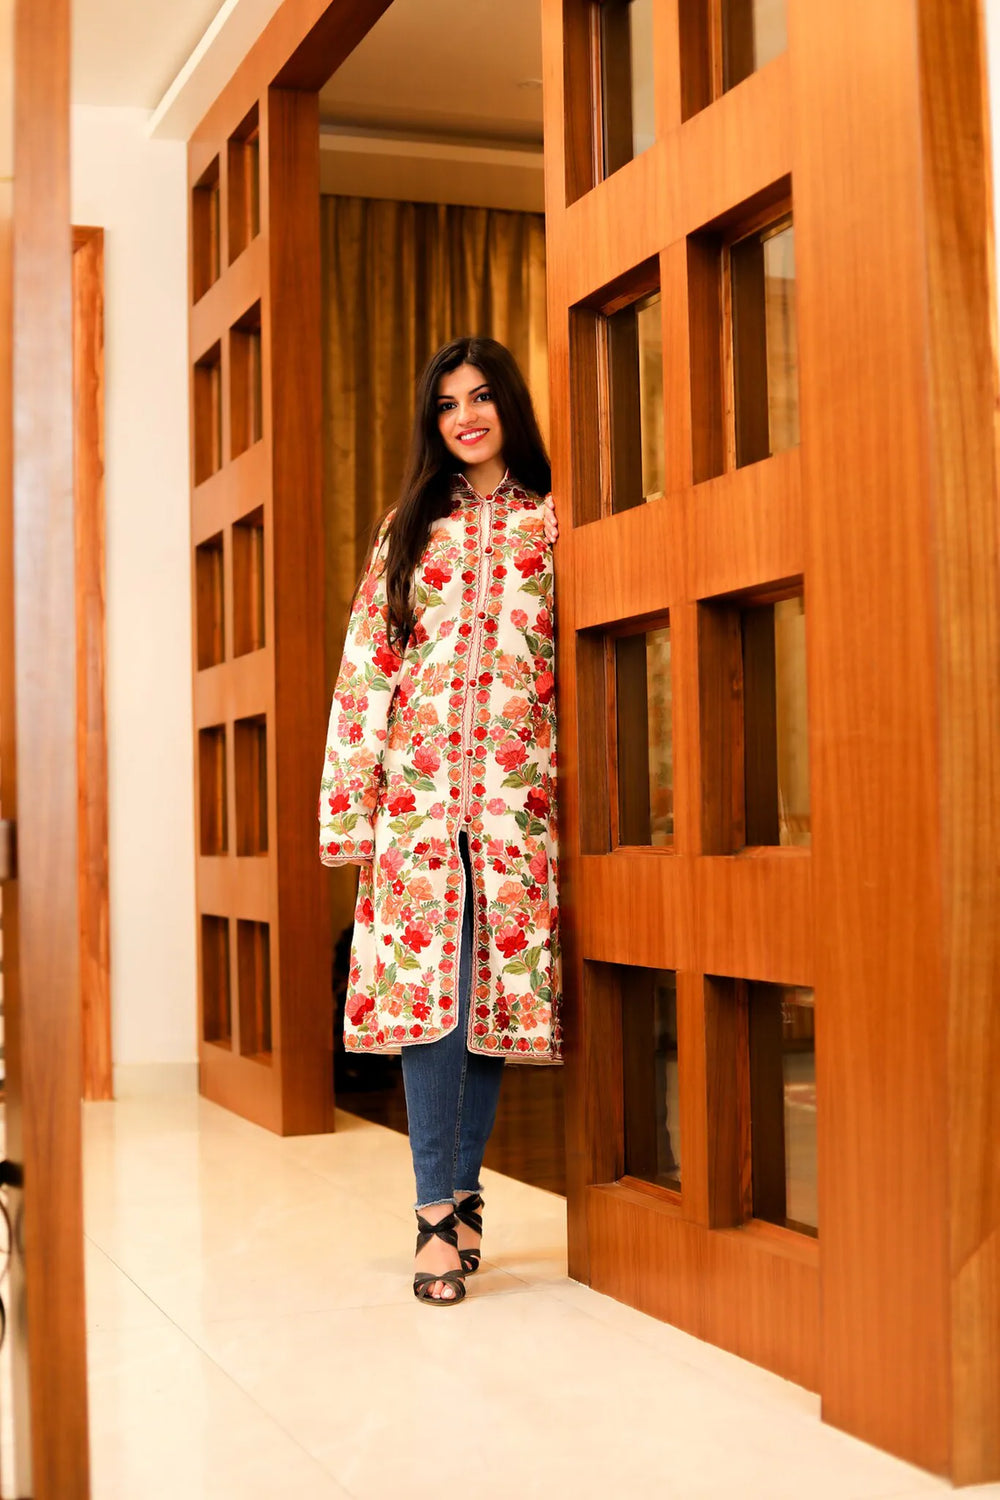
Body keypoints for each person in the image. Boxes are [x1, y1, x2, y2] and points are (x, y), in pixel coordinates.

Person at [319, 336, 561, 1305]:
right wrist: (353, 808)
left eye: (482, 396)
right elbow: (366, 668)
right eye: (448, 403)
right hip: (417, 806)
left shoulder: (554, 525)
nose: (466, 416)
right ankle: (434, 1212)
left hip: (515, 806)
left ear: (510, 407)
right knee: (434, 1010)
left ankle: (463, 1197)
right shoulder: (410, 527)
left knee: (488, 1010)